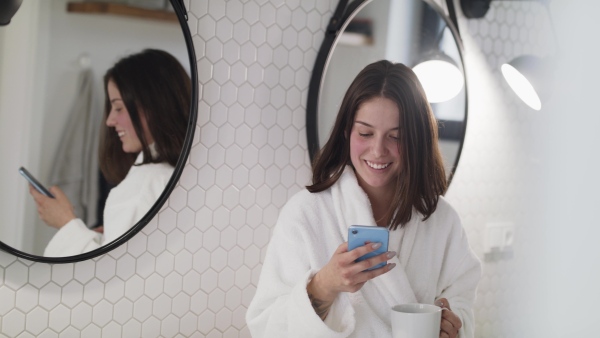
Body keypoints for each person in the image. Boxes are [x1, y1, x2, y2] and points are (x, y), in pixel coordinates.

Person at [246, 60, 481, 337]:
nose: (378, 150)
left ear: (417, 140)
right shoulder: (306, 214)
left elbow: (462, 305)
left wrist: (453, 326)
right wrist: (324, 285)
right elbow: (265, 326)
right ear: (347, 131)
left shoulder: (441, 219)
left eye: (396, 137)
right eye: (366, 133)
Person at [29, 49, 191, 257]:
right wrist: (114, 234)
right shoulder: (187, 171)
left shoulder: (142, 188)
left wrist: (65, 222)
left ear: (154, 107)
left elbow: (112, 278)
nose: (109, 121)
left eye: (119, 108)